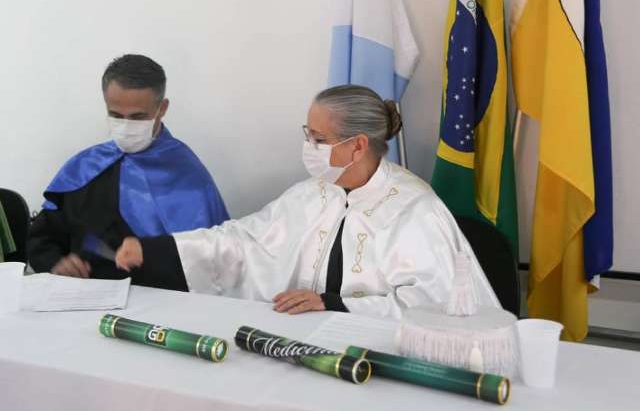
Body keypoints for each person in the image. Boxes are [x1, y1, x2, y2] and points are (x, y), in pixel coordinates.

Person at [115, 85, 499, 318]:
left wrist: (333, 304)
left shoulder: (415, 209)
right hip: (301, 345)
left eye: (318, 139)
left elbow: (435, 308)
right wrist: (158, 250)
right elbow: (245, 243)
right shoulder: (313, 193)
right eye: (307, 134)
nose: (308, 147)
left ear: (358, 146)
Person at [27, 54, 229, 291]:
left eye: (138, 117)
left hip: (161, 302)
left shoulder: (188, 176)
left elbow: (212, 259)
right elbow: (44, 238)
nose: (125, 125)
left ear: (162, 108)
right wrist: (55, 264)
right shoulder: (83, 168)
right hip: (82, 298)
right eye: (115, 115)